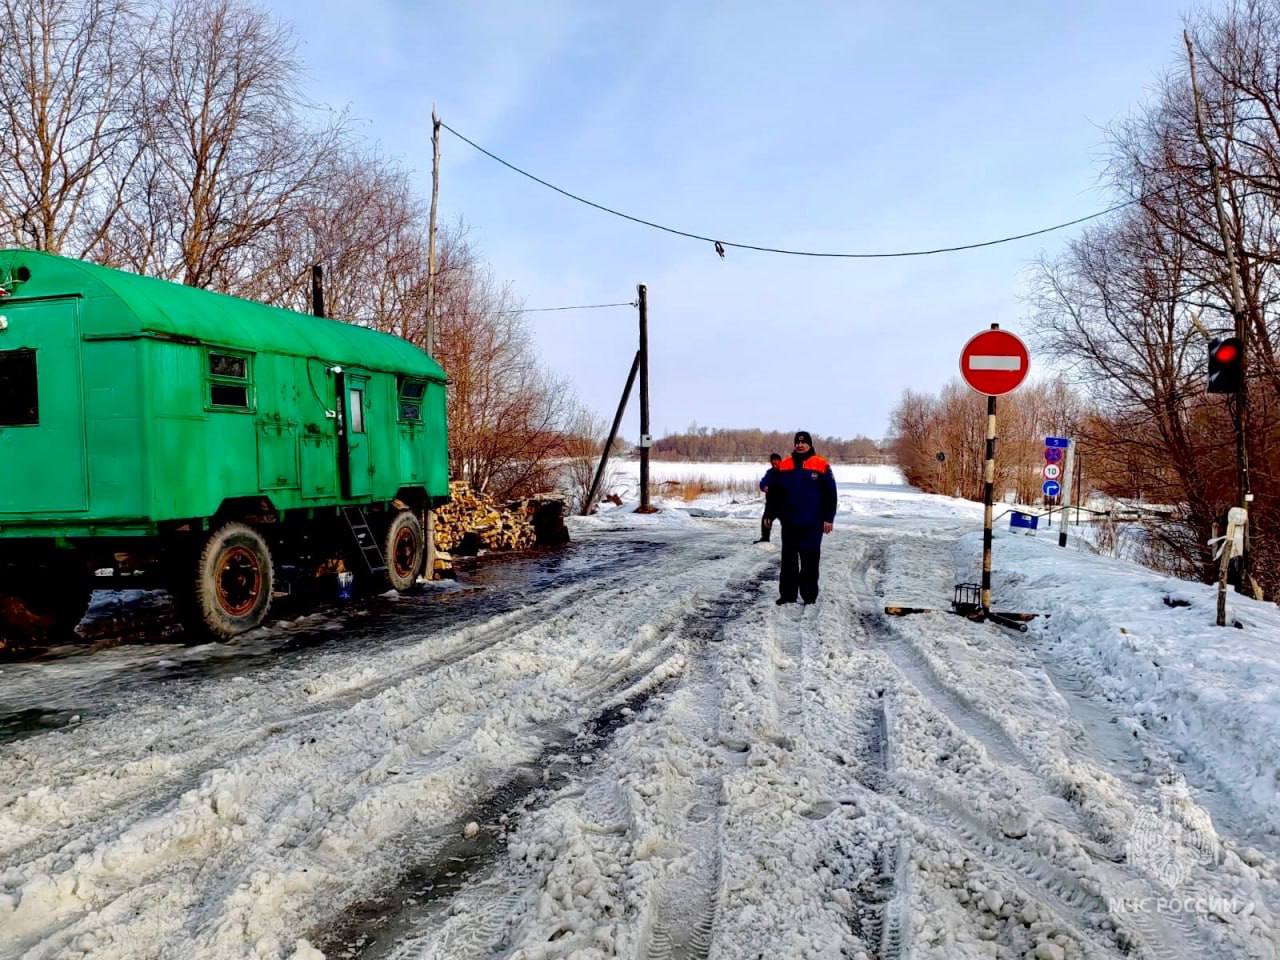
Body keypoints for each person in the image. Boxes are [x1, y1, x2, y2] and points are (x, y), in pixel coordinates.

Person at [765, 431, 837, 605]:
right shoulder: (784, 465)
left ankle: (809, 596)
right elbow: (775, 493)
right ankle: (788, 595)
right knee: (788, 561)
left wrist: (828, 518)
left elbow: (830, 494)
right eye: (797, 442)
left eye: (804, 442)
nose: (800, 445)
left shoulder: (821, 465)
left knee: (810, 561)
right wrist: (769, 513)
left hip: (813, 522)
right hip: (789, 521)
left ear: (810, 444)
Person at [755, 453, 783, 542]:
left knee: (788, 525)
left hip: (784, 504)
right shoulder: (769, 472)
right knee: (766, 520)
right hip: (771, 504)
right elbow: (762, 483)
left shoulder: (786, 472)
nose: (774, 464)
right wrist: (764, 487)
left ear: (780, 461)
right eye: (772, 463)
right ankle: (765, 538)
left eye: (776, 462)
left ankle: (791, 543)